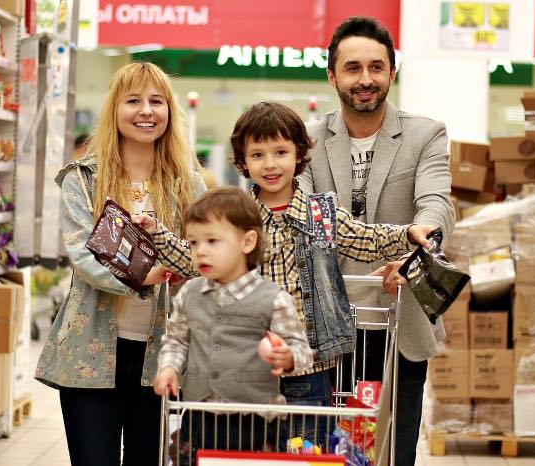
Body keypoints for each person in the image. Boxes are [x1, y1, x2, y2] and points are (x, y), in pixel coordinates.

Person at [134, 101, 436, 448]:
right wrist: (158, 234)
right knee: (249, 451)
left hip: (309, 368)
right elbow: (196, 260)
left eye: (280, 152)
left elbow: (364, 238)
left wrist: (407, 233)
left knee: (304, 452)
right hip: (247, 372)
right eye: (257, 155)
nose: (270, 164)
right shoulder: (237, 218)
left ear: (299, 155)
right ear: (243, 162)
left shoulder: (320, 212)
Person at [297, 16, 455, 466]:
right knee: (323, 454)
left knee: (394, 452)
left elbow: (436, 205)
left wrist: (417, 252)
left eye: (376, 67)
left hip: (400, 320)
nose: (365, 79)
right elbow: (303, 214)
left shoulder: (425, 134)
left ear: (392, 72)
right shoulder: (305, 140)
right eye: (352, 68)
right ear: (332, 76)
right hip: (325, 327)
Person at [35, 62, 207, 466]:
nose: (146, 110)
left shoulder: (187, 183)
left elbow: (208, 250)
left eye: (156, 101)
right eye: (133, 101)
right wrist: (144, 277)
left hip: (163, 355)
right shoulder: (83, 179)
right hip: (89, 352)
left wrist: (185, 263)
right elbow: (82, 255)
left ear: (170, 112)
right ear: (114, 109)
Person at [153, 186, 314, 457]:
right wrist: (168, 367)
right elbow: (177, 340)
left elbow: (303, 352)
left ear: (247, 242)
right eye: (193, 243)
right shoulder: (189, 293)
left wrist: (288, 358)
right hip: (199, 416)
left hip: (256, 421)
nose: (200, 251)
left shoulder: (274, 299)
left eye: (212, 241)